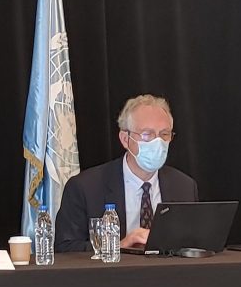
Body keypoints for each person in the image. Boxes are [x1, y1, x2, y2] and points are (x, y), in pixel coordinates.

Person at [55, 94, 198, 252]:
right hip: (114, 268)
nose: (158, 142)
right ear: (125, 139)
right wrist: (119, 246)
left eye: (164, 134)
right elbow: (65, 248)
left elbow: (193, 244)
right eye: (147, 134)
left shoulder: (184, 187)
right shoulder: (86, 188)